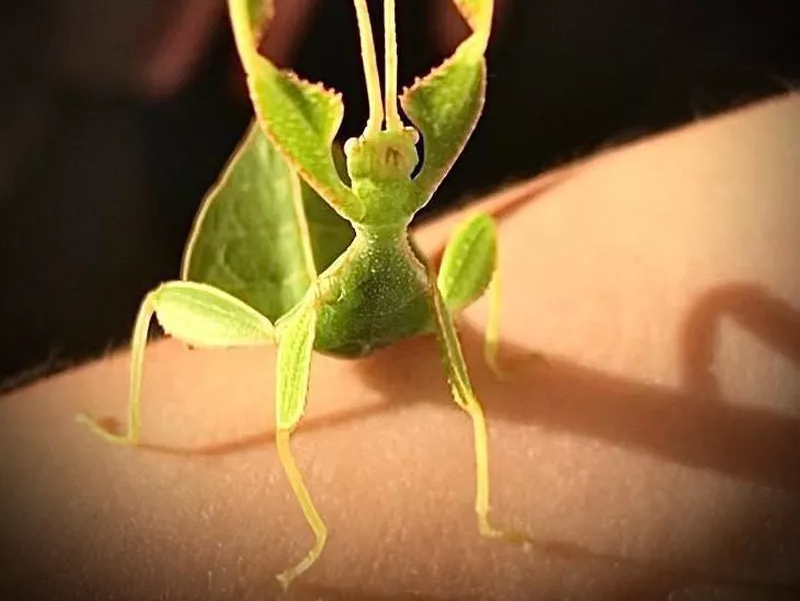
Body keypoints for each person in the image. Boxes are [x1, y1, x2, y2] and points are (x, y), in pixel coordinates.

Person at [1, 91, 798, 599]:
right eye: (372, 150)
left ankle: (455, 503)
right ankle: (170, 448)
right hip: (317, 321)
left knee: (471, 316)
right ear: (347, 165)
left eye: (399, 149)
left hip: (404, 305)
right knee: (173, 316)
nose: (385, 148)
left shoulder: (415, 247)